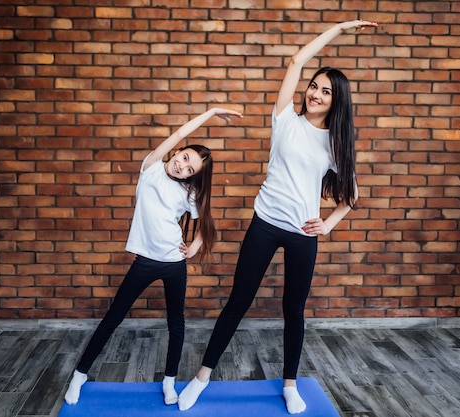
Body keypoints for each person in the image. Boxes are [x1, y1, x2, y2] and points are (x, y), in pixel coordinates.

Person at [177, 20, 378, 414]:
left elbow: (351, 194)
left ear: (338, 102)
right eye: (315, 86)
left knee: (293, 310)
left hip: (303, 233)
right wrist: (339, 27)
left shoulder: (334, 143)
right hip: (265, 224)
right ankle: (201, 378)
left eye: (327, 92)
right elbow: (297, 59)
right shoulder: (284, 118)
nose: (317, 94)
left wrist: (329, 223)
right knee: (238, 301)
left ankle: (289, 384)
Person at [64, 107, 243, 406]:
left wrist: (196, 246)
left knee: (176, 324)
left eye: (190, 170)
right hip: (145, 261)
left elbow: (206, 226)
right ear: (179, 150)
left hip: (174, 263)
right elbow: (178, 133)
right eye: (184, 158)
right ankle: (79, 376)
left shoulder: (188, 193)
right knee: (113, 318)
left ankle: (169, 382)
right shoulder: (150, 168)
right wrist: (210, 111)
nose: (182, 167)